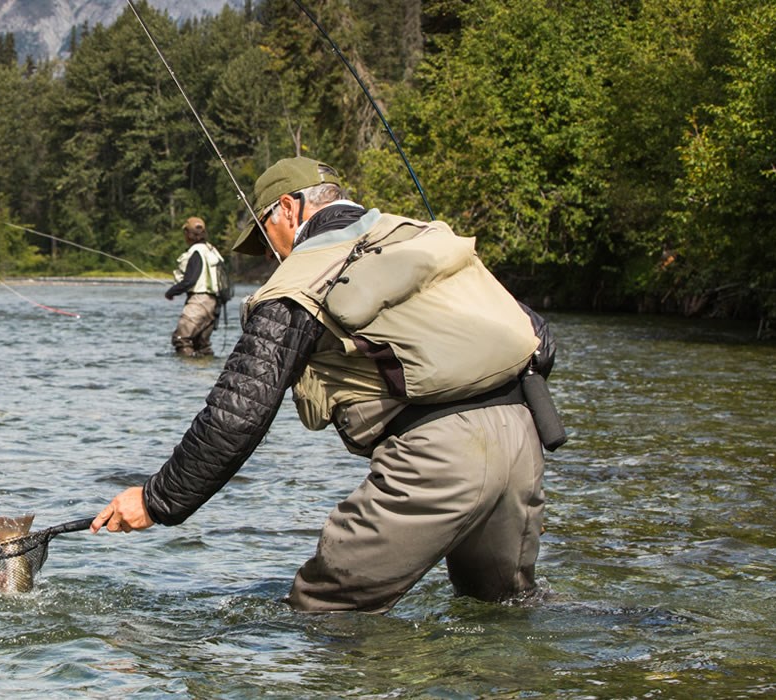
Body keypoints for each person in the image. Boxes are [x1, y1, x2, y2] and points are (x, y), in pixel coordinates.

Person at [92, 156, 553, 613]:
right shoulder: (423, 237)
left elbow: (238, 415)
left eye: (265, 232)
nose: (272, 252)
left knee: (322, 615)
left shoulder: (297, 282)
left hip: (437, 460)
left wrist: (157, 499)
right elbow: (539, 339)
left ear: (289, 209)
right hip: (522, 442)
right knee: (503, 613)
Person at [164, 217, 226, 357]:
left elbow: (190, 280)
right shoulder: (212, 250)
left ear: (188, 233)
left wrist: (171, 292)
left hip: (199, 300)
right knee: (201, 344)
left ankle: (185, 375)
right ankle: (204, 372)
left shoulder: (196, 251)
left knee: (181, 339)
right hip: (215, 303)